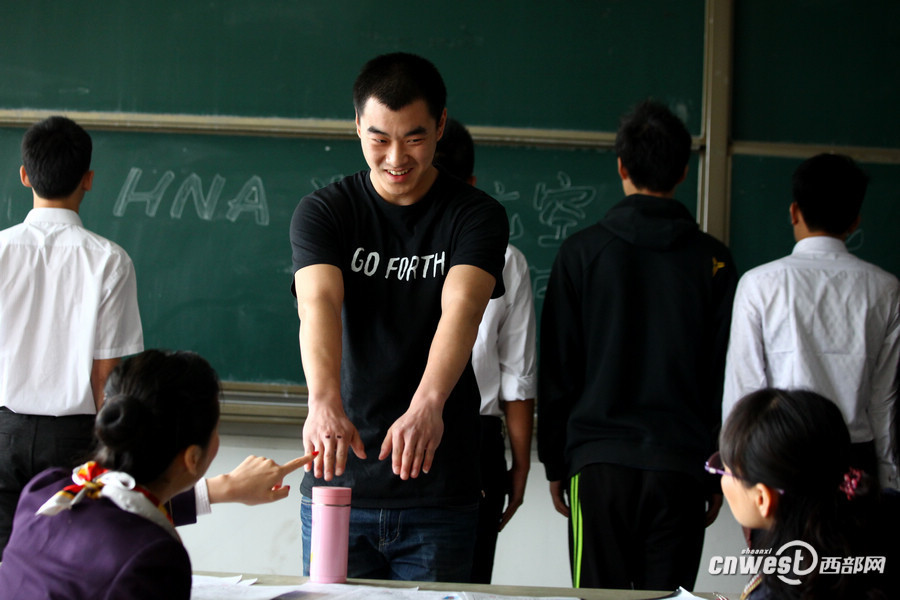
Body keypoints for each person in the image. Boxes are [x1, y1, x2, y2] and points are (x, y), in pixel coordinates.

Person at [290, 53, 509, 582]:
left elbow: (463, 307)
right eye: (378, 139)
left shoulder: (475, 215)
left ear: (439, 126)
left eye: (413, 138)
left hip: (439, 490)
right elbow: (317, 303)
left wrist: (428, 404)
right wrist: (322, 402)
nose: (395, 158)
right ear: (357, 128)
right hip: (339, 483)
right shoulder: (325, 211)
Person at [538, 99, 738, 590]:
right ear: (685, 171)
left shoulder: (581, 253)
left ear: (622, 166)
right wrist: (718, 467)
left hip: (598, 466)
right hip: (682, 466)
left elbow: (558, 368)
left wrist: (558, 462)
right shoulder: (714, 262)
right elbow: (724, 377)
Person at [0, 350, 315, 599]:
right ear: (193, 457)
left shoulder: (49, 492)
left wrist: (225, 488)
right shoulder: (151, 558)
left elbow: (122, 505)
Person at [0, 116, 144, 557]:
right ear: (89, 180)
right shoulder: (108, 261)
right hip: (74, 440)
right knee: (67, 565)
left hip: (2, 433)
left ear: (24, 175)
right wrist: (116, 454)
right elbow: (108, 374)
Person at [722, 153, 900, 491]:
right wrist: (889, 478)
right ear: (854, 222)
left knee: (786, 548)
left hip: (779, 460)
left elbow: (743, 393)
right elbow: (885, 401)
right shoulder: (887, 290)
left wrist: (738, 478)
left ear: (794, 212)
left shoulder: (759, 284)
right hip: (855, 466)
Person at [434, 118, 537, 584]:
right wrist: (519, 465)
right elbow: (517, 376)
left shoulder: (376, 247)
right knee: (467, 587)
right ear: (473, 185)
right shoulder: (507, 260)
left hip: (389, 430)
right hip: (477, 440)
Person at [713, 388, 898, 599]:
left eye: (724, 470)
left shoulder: (782, 589)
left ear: (762, 498)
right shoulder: (886, 511)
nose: (722, 478)